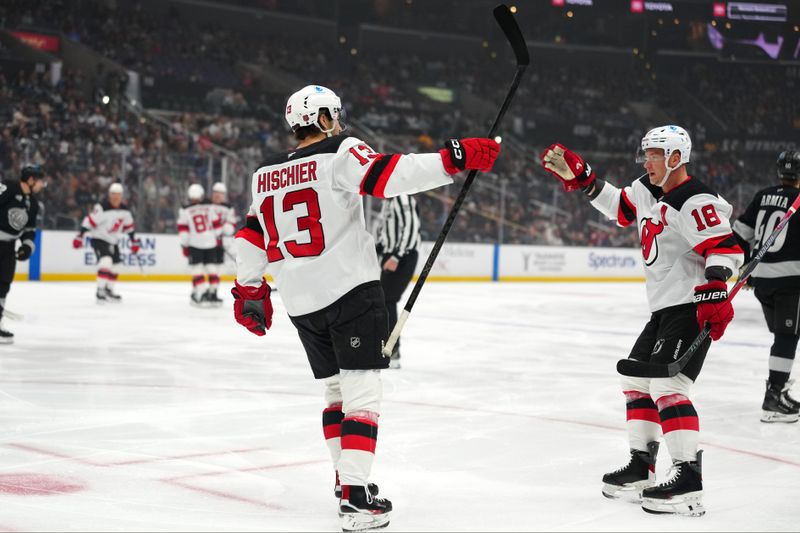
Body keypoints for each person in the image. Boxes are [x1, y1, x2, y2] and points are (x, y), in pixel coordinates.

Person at [231, 84, 499, 531]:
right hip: (349, 292)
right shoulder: (340, 151)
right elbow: (388, 176)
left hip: (301, 303)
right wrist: (453, 157)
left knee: (336, 393)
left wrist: (250, 290)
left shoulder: (264, 174)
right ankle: (355, 498)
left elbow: (250, 237)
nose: (338, 123)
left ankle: (345, 479)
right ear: (320, 119)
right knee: (362, 396)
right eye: (333, 116)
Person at [540, 125, 743, 517]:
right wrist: (585, 180)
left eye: (653, 154)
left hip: (689, 306)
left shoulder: (694, 198)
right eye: (646, 153)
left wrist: (716, 285)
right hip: (663, 308)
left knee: (669, 385)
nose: (645, 160)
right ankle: (641, 465)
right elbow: (619, 207)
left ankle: (688, 478)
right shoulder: (648, 190)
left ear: (674, 158)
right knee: (635, 379)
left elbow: (724, 247)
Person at [732, 150, 800, 423]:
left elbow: (739, 234)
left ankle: (778, 390)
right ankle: (773, 397)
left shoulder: (762, 196)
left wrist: (746, 268)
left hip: (762, 281)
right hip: (790, 281)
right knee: (786, 338)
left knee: (784, 336)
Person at [73, 182, 140, 303]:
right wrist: (80, 236)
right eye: (113, 194)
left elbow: (129, 227)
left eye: (118, 194)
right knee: (106, 262)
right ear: (109, 195)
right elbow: (89, 221)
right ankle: (100, 290)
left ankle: (109, 290)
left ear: (121, 196)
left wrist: (134, 241)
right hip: (99, 238)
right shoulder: (102, 207)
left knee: (117, 265)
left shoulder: (125, 211)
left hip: (113, 240)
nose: (115, 197)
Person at [0, 165, 45, 342]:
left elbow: (29, 230)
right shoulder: (9, 187)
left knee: (4, 284)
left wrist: (27, 246)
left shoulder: (33, 204)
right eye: (40, 181)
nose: (42, 185)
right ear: (31, 180)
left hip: (9, 248)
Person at [375, 194, 421, 369]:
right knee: (383, 300)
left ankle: (392, 351)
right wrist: (377, 249)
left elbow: (411, 227)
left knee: (388, 299)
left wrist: (396, 256)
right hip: (391, 255)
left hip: (404, 256)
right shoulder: (388, 200)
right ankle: (388, 347)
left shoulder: (402, 197)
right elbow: (385, 232)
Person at [177, 184, 222, 307]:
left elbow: (183, 231)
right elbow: (218, 228)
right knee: (212, 269)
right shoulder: (210, 207)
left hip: (195, 243)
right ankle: (212, 294)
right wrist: (216, 238)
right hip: (211, 242)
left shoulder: (185, 210)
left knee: (197, 270)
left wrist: (184, 245)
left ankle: (201, 294)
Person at [209, 181, 238, 303]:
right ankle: (204, 291)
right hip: (206, 241)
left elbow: (231, 225)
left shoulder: (228, 208)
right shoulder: (207, 206)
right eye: (216, 193)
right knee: (206, 268)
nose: (218, 195)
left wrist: (223, 230)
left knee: (216, 268)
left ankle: (212, 292)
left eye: (220, 193)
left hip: (219, 243)